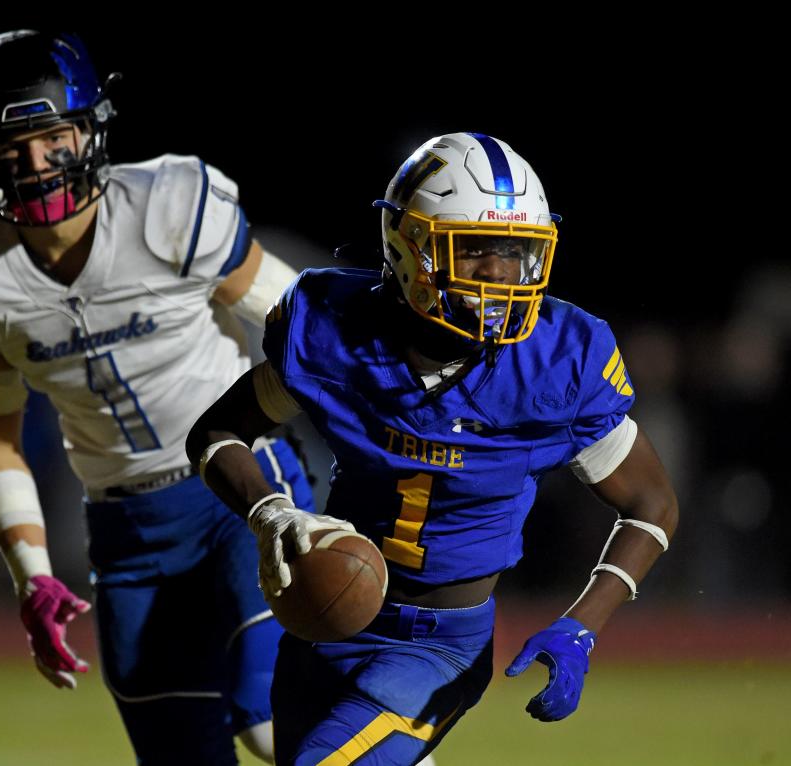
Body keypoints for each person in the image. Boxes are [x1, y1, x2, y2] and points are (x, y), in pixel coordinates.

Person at [187, 132, 679, 765]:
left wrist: (584, 624)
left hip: (439, 647)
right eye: (474, 250)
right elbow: (216, 433)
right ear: (406, 246)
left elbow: (650, 501)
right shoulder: (334, 329)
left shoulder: (556, 362)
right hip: (321, 619)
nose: (500, 274)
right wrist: (268, 511)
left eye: (515, 253)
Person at [0, 30, 314, 766]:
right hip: (125, 533)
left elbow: (303, 322)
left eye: (51, 139)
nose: (33, 167)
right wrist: (33, 577)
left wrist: (391, 426)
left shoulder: (167, 207)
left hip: (241, 489)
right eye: (10, 152)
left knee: (275, 722)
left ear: (89, 131)